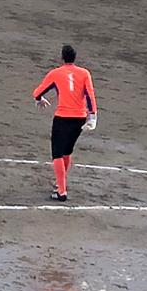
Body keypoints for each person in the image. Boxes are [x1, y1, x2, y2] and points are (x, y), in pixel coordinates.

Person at [32, 44, 98, 202]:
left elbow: (37, 92)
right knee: (67, 151)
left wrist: (40, 99)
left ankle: (61, 191)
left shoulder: (56, 73)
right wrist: (93, 117)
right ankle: (59, 183)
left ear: (62, 58)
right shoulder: (84, 73)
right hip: (79, 119)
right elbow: (90, 96)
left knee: (57, 153)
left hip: (62, 118)